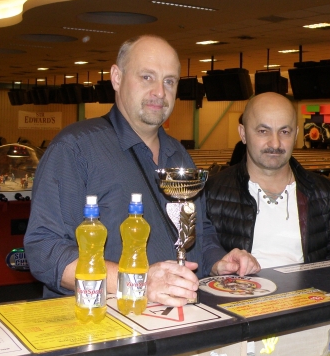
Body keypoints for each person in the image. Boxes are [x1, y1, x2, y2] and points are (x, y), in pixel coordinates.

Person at [25, 35, 259, 306]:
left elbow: (198, 234)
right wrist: (138, 282)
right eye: (147, 77)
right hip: (102, 319)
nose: (160, 92)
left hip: (179, 316)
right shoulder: (75, 148)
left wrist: (219, 261)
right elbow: (44, 251)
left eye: (169, 81)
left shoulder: (179, 156)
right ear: (117, 78)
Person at [204, 92, 330, 268]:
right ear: (243, 134)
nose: (275, 143)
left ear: (295, 135)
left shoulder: (322, 191)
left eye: (284, 132)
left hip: (310, 286)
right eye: (263, 131)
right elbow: (200, 256)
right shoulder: (212, 192)